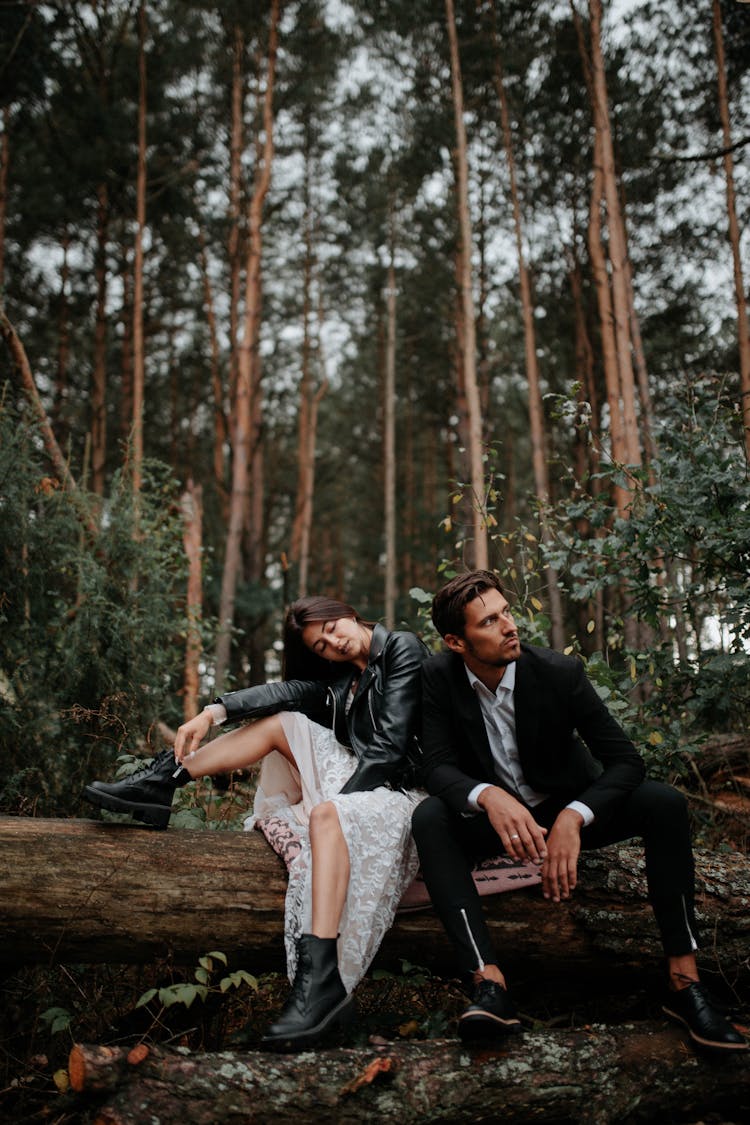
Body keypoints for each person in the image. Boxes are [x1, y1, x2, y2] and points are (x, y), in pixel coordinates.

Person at [411, 570, 747, 1055]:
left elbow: (627, 761)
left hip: (567, 810)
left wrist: (574, 816)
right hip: (501, 826)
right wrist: (488, 795)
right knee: (429, 819)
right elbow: (436, 765)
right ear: (456, 642)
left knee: (665, 802)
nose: (509, 625)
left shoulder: (556, 673)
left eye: (507, 612)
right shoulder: (438, 677)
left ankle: (684, 981)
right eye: (490, 621)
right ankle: (490, 985)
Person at [84, 596, 427, 1050]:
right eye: (320, 645)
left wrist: (343, 807)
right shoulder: (342, 683)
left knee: (328, 811)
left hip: (400, 791)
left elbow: (391, 749)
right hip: (365, 779)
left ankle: (321, 982)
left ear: (348, 613)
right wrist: (213, 711)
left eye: (331, 628)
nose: (331, 642)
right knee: (283, 721)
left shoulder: (401, 647)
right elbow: (285, 694)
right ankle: (163, 779)